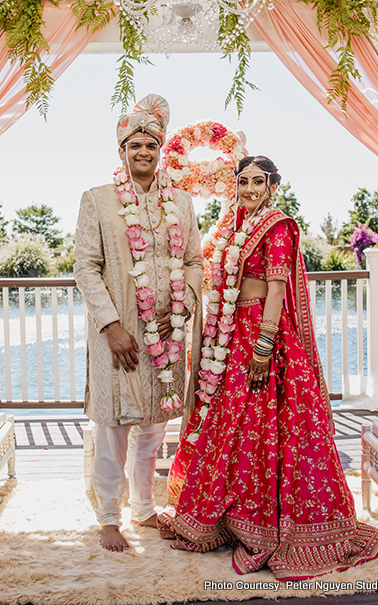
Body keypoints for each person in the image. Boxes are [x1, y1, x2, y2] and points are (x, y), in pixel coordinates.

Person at [158, 155, 378, 579]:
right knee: (233, 422)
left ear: (272, 186)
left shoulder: (278, 225)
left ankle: (269, 523)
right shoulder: (237, 224)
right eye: (243, 181)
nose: (248, 189)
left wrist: (263, 346)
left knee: (267, 424)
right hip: (233, 333)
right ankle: (229, 517)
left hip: (263, 335)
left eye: (257, 182)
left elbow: (276, 286)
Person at [74, 93, 204, 552]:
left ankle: (144, 509)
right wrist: (110, 326)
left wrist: (182, 302)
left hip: (166, 336)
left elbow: (193, 261)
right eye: (135, 146)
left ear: (160, 150)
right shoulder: (98, 201)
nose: (143, 153)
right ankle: (109, 516)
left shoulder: (182, 204)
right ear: (122, 153)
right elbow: (85, 267)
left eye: (150, 145)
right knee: (112, 428)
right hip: (117, 337)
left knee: (152, 427)